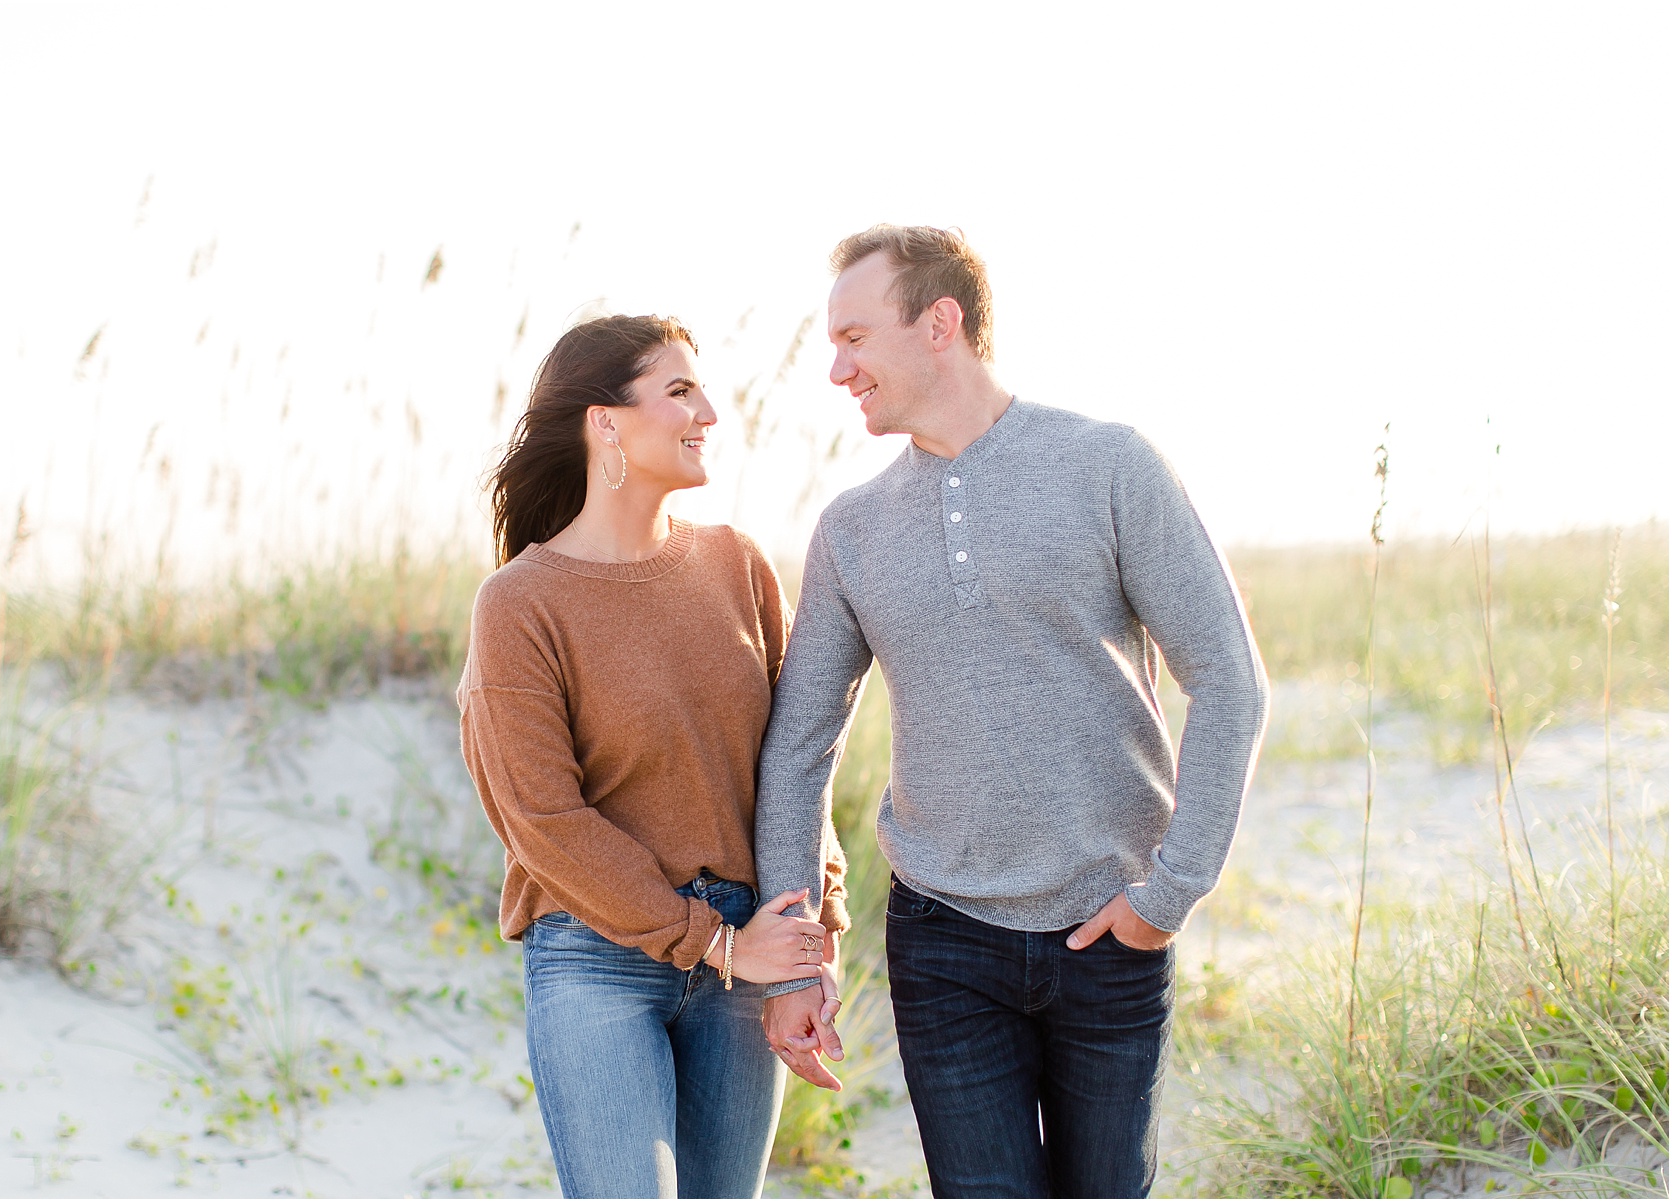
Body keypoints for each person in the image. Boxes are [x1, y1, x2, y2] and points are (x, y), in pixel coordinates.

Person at [755, 227, 1270, 1198]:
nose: (835, 367)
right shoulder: (851, 530)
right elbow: (797, 749)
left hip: (1111, 929)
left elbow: (1230, 678)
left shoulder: (1109, 465)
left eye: (856, 336)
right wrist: (792, 963)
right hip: (944, 941)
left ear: (939, 323)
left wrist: (1171, 891)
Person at [457, 314, 851, 1199]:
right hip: (597, 957)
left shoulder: (737, 566)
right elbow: (542, 819)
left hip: (749, 947)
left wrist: (806, 943)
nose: (708, 409)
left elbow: (798, 766)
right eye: (679, 390)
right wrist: (710, 942)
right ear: (605, 422)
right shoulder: (520, 604)